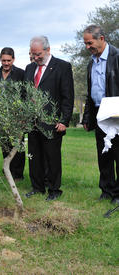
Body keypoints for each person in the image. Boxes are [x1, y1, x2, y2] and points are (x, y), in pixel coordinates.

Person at [25, 36, 74, 201]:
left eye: (38, 54)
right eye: (33, 54)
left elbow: (67, 96)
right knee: (34, 157)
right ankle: (37, 188)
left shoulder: (62, 67)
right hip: (33, 122)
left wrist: (64, 120)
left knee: (52, 158)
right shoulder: (29, 68)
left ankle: (54, 190)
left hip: (53, 123)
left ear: (48, 50)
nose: (35, 57)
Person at [82, 25, 119, 205]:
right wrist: (87, 117)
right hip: (98, 111)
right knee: (103, 153)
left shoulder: (116, 57)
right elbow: (90, 92)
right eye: (86, 43)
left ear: (102, 39)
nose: (88, 46)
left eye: (90, 43)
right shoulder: (91, 62)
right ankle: (106, 189)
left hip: (115, 109)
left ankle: (118, 194)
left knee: (117, 152)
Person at [0, 47, 25, 181]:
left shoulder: (21, 74)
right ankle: (7, 170)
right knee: (5, 144)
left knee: (18, 145)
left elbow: (24, 94)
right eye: (4, 60)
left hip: (16, 115)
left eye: (8, 61)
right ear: (0, 59)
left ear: (13, 59)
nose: (6, 63)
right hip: (2, 115)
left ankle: (18, 174)